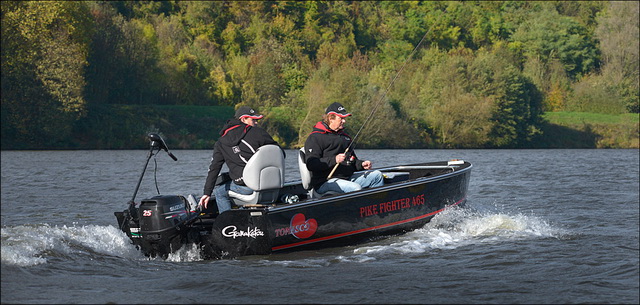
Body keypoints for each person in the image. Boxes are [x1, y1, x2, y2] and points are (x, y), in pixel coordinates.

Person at [199, 106, 283, 213]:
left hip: (247, 187)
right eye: (254, 120)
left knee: (219, 192)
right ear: (243, 119)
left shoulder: (220, 143)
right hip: (272, 184)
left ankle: (228, 224)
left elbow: (214, 169)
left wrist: (207, 193)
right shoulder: (259, 132)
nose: (256, 123)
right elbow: (280, 154)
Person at [303, 102, 384, 194]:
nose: (344, 121)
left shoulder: (345, 138)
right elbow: (312, 164)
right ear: (331, 118)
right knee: (355, 188)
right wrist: (335, 160)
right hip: (324, 182)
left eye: (344, 118)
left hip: (347, 178)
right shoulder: (315, 137)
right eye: (341, 118)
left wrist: (361, 164)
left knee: (377, 175)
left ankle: (373, 206)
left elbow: (352, 161)